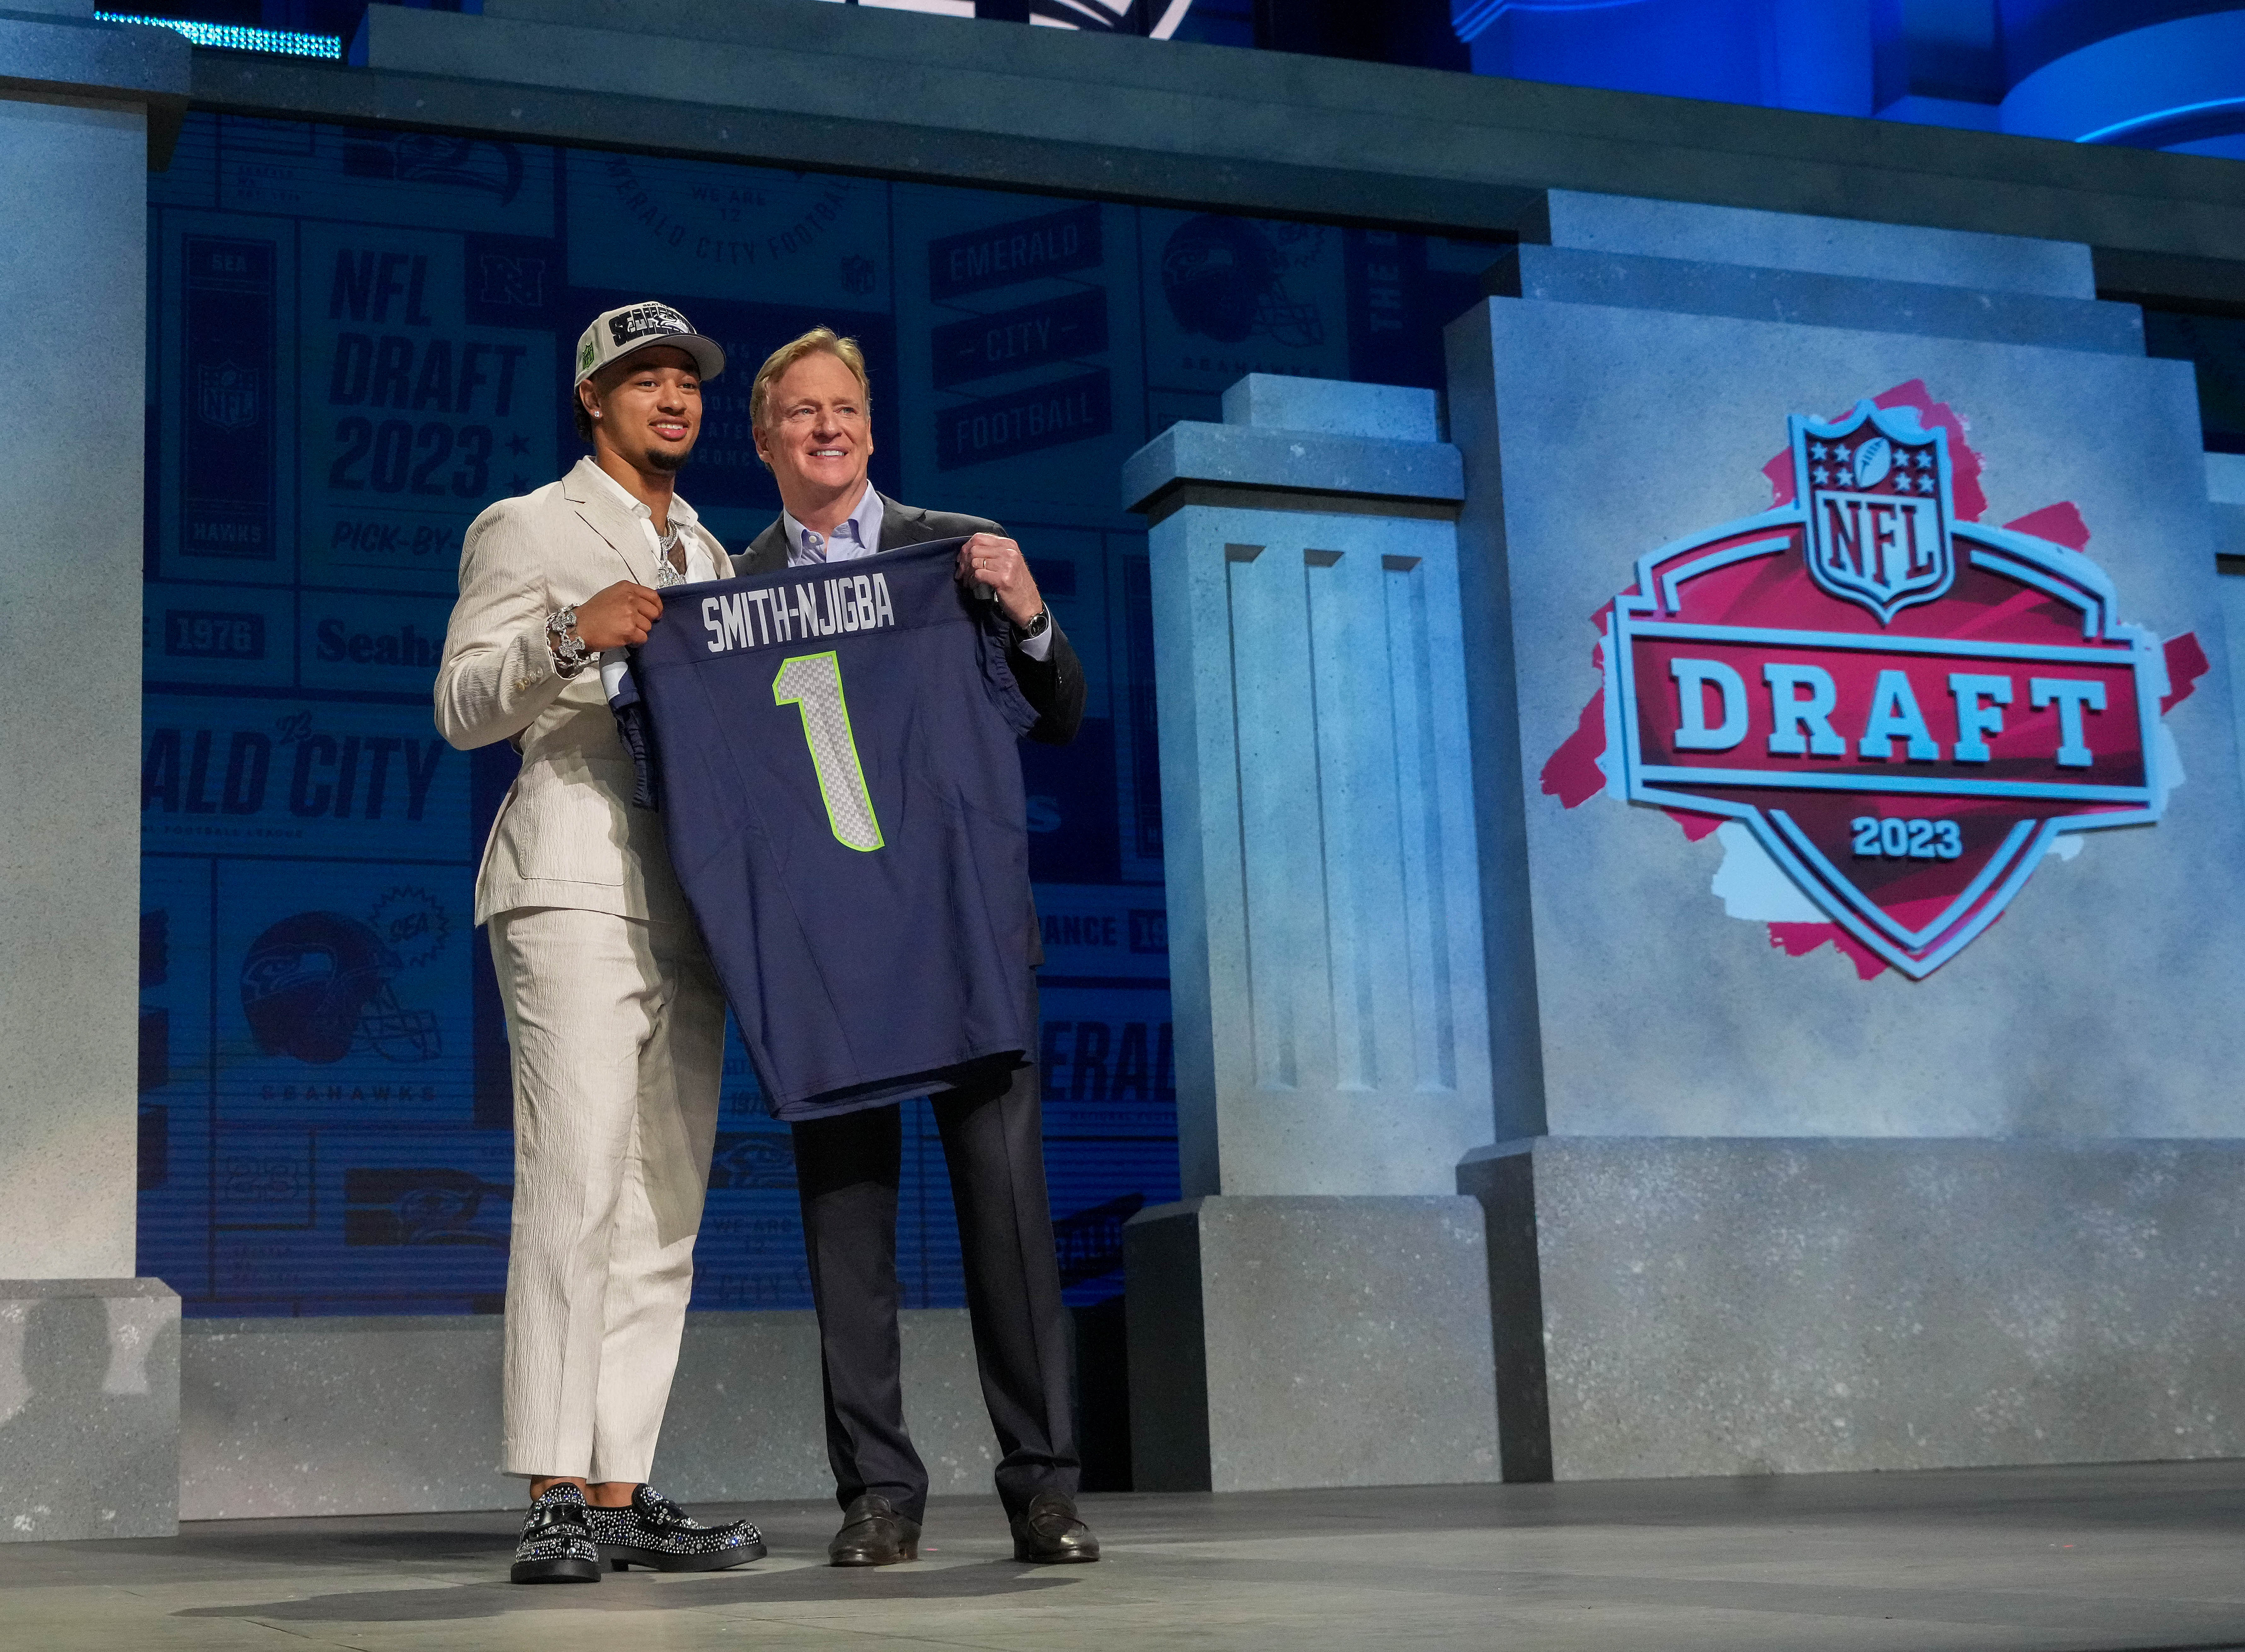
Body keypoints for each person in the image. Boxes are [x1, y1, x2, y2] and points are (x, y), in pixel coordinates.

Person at [741, 328, 1098, 1567]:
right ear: (766, 436)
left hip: (964, 937)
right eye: (800, 412)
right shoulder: (731, 595)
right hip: (828, 961)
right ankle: (877, 1496)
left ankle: (1044, 1489)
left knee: (1008, 1221)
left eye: (844, 408)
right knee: (847, 1234)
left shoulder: (953, 554)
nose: (826, 427)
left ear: (872, 430)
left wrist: (1030, 606)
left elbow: (1057, 710)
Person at [435, 302, 765, 1585]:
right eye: (645, 379)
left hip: (695, 898)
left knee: (662, 1207)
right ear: (594, 398)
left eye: (687, 381)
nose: (673, 398)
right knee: (573, 1179)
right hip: (571, 876)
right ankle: (554, 1492)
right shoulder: (530, 524)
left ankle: (623, 1486)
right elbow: (462, 703)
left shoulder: (713, 556)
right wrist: (575, 631)